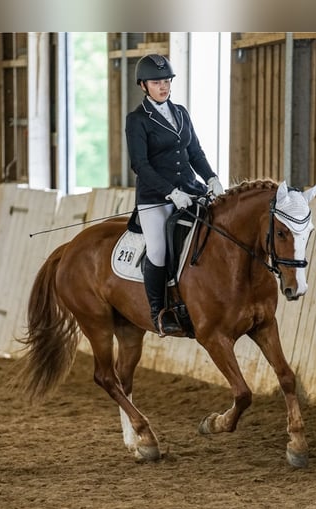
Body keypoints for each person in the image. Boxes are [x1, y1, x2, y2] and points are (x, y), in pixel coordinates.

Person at [125, 53, 225, 337]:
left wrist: (211, 178)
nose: (164, 86)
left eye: (167, 80)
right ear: (143, 85)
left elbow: (195, 152)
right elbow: (140, 165)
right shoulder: (137, 120)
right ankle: (159, 313)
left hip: (190, 191)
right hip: (155, 199)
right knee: (158, 251)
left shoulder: (181, 112)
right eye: (157, 82)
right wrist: (170, 192)